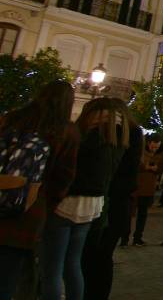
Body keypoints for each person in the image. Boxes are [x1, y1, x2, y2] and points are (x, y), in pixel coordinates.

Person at [0, 80, 80, 300]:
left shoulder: (7, 120)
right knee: (0, 283)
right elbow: (63, 178)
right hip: (21, 215)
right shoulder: (66, 132)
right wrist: (44, 205)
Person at [41, 97, 130, 300]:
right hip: (93, 205)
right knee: (73, 262)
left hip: (70, 202)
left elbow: (71, 169)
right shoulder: (118, 138)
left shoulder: (92, 137)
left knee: (52, 267)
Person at [82, 99, 143, 300]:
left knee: (95, 258)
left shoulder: (121, 134)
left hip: (107, 203)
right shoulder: (133, 133)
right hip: (115, 203)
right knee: (99, 258)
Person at [132, 136, 163, 245]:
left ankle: (138, 237)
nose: (154, 149)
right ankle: (124, 237)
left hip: (149, 186)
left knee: (142, 213)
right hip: (136, 185)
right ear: (148, 143)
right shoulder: (140, 151)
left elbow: (161, 168)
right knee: (130, 212)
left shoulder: (161, 155)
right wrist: (145, 167)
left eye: (156, 147)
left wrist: (157, 169)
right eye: (152, 146)